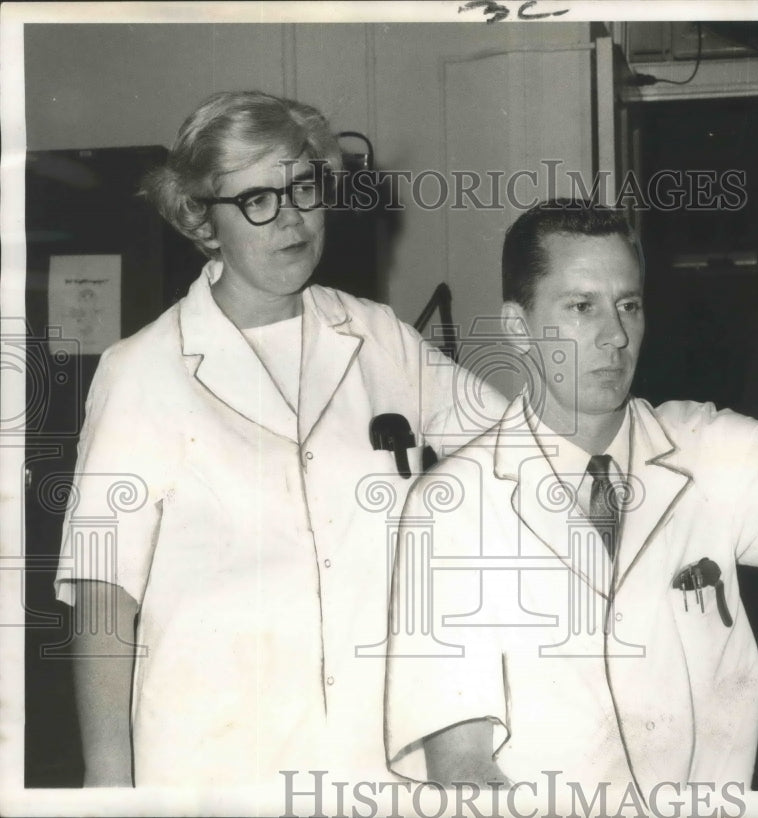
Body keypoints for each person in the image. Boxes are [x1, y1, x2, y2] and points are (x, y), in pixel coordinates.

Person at [384, 201, 758, 808]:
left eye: (629, 305)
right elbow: (461, 769)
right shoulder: (452, 505)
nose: (614, 335)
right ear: (517, 325)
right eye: (581, 307)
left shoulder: (701, 447)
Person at [54, 90, 501, 789]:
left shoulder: (378, 336)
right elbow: (104, 598)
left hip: (378, 763)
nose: (289, 216)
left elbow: (520, 453)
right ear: (203, 222)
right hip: (216, 765)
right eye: (257, 199)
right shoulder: (141, 372)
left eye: (303, 186)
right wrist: (106, 787)